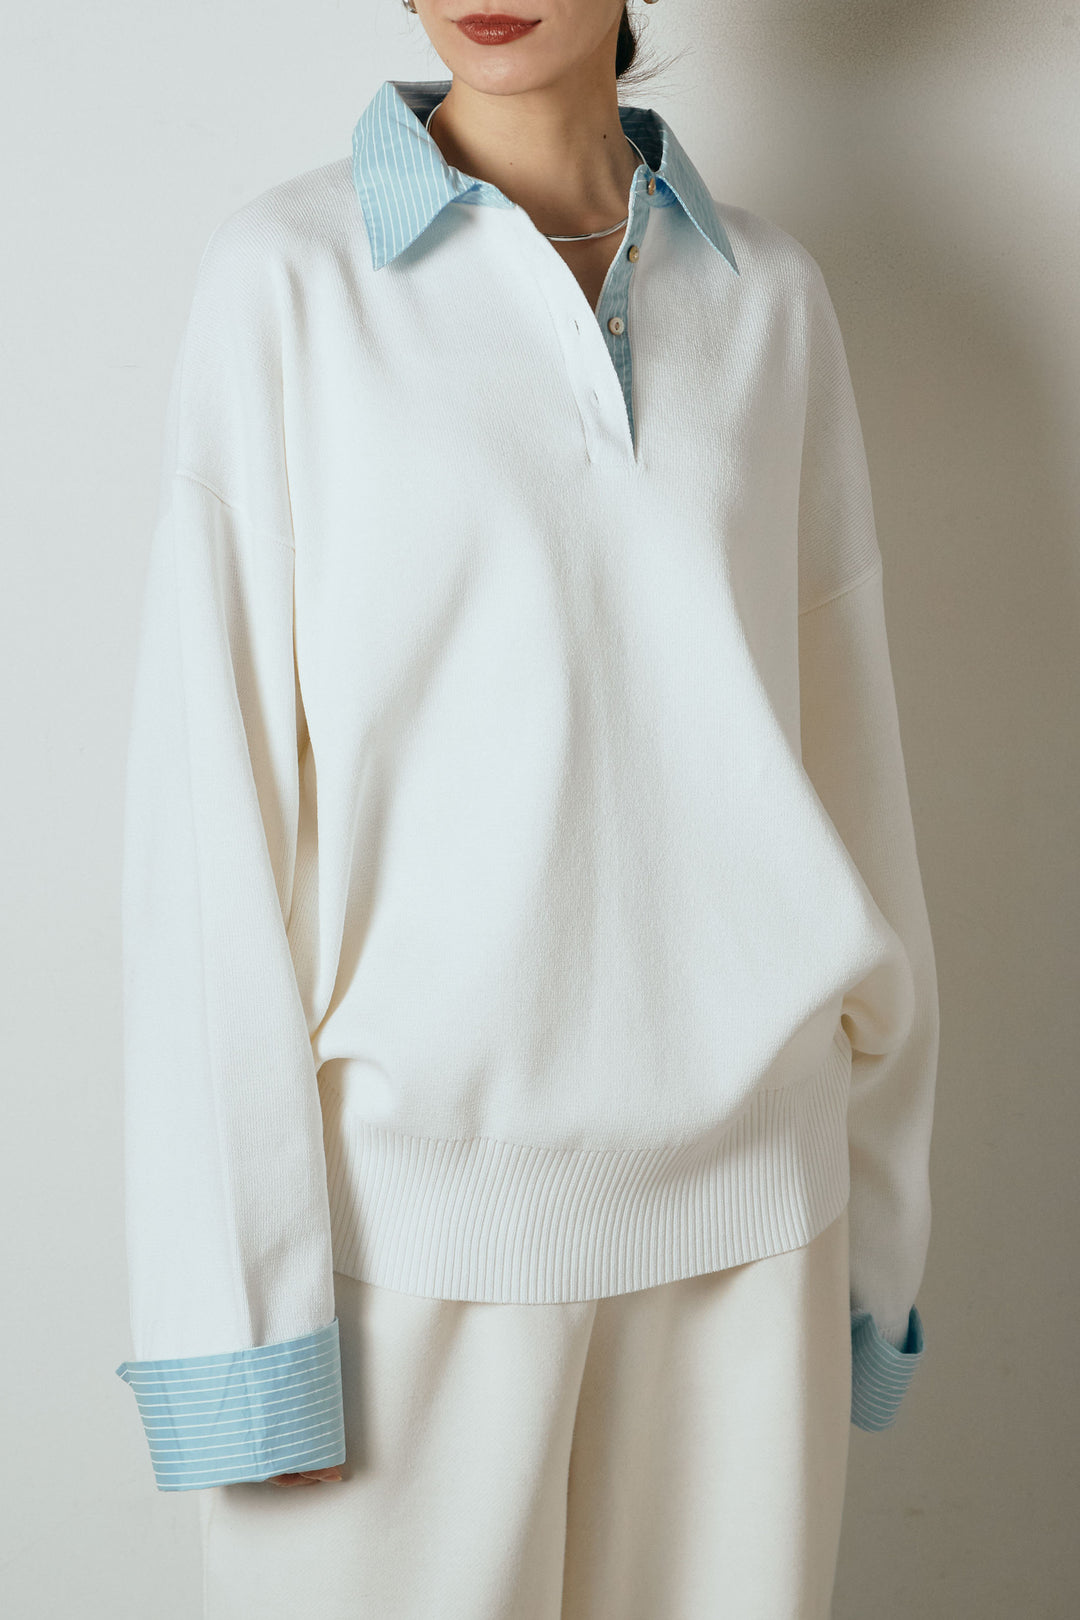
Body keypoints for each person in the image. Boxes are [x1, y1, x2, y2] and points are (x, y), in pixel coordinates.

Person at [113, 1, 938, 1614]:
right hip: (402, 1257)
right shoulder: (287, 281)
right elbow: (209, 815)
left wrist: (881, 1241)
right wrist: (243, 1323)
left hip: (755, 1235)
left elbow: (850, 773)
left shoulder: (771, 299)